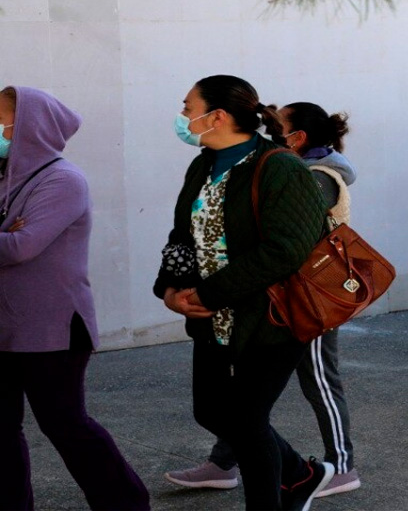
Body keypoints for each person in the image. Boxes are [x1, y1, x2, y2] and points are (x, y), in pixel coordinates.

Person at [154, 75, 333, 510]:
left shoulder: (280, 167)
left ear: (215, 116)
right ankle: (301, 474)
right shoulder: (203, 163)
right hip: (211, 316)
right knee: (212, 412)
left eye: (186, 107)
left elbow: (286, 251)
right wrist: (170, 288)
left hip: (272, 318)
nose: (182, 117)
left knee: (247, 421)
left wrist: (211, 294)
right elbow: (184, 234)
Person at [0, 86, 150, 511]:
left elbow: (22, 247)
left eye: (0, 120)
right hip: (6, 325)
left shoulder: (63, 180)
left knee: (65, 424)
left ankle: (126, 503)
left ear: (29, 127)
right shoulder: (4, 175)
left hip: (53, 329)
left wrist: (14, 236)